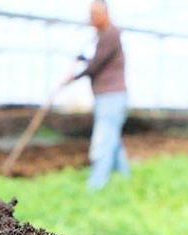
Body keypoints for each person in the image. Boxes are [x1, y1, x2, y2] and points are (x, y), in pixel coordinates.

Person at [66, 0, 129, 189]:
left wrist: (74, 76)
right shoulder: (104, 36)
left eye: (95, 14)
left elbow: (96, 64)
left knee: (102, 142)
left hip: (111, 97)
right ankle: (126, 179)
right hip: (108, 97)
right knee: (113, 140)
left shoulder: (111, 34)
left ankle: (95, 185)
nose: (91, 18)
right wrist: (83, 59)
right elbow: (98, 60)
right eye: (90, 14)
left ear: (105, 13)